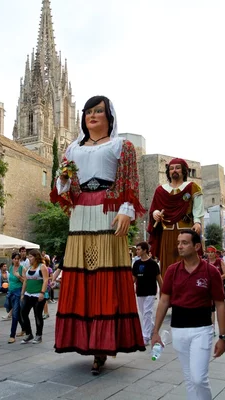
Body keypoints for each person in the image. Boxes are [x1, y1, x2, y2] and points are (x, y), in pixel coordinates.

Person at [50, 95, 146, 375]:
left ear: (109, 116)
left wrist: (127, 209)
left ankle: (102, 345)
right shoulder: (71, 149)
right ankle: (86, 340)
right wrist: (64, 180)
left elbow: (129, 180)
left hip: (109, 210)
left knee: (106, 275)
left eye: (99, 111)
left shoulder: (122, 146)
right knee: (81, 275)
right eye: (89, 111)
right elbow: (62, 187)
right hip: (81, 213)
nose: (92, 115)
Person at [151, 231, 225, 400]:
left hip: (202, 329)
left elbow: (220, 304)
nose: (179, 246)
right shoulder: (172, 271)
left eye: (185, 243)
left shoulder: (210, 271)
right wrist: (155, 331)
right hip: (178, 330)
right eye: (179, 242)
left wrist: (222, 336)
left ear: (197, 246)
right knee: (189, 379)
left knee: (199, 379)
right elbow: (164, 301)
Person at [147, 158, 204, 278]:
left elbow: (198, 208)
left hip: (186, 230)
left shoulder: (192, 187)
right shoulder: (160, 190)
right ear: (168, 172)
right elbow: (153, 208)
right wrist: (155, 213)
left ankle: (189, 290)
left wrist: (198, 222)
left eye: (177, 168)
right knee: (168, 264)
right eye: (171, 168)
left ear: (183, 171)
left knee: (187, 261)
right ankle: (169, 293)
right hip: (167, 232)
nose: (174, 170)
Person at [132, 241, 163, 346]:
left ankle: (145, 337)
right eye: (137, 249)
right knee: (144, 313)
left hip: (150, 292)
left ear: (145, 250)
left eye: (139, 249)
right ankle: (153, 330)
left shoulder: (153, 264)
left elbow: (159, 279)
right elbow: (133, 278)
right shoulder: (136, 264)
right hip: (140, 292)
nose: (137, 251)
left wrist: (163, 293)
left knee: (147, 313)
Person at [19, 249, 49, 344]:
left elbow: (45, 280)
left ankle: (38, 335)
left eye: (31, 256)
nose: (29, 258)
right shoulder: (29, 267)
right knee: (23, 313)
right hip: (28, 294)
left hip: (38, 295)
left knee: (37, 315)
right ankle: (29, 334)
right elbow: (25, 281)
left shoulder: (42, 267)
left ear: (36, 257)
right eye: (28, 256)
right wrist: (22, 293)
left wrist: (42, 292)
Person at [207, 247, 225, 337]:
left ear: (215, 253)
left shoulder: (219, 262)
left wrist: (217, 278)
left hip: (219, 287)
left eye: (212, 252)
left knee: (218, 307)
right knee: (211, 309)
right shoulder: (205, 262)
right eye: (208, 252)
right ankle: (212, 328)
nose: (210, 254)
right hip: (208, 288)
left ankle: (221, 330)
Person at [5, 252, 25, 343]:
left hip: (18, 292)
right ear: (12, 259)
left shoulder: (22, 268)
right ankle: (24, 329)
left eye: (18, 259)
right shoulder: (10, 267)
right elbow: (11, 280)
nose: (16, 260)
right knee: (9, 308)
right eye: (15, 259)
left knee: (15, 314)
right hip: (10, 291)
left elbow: (26, 281)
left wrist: (19, 276)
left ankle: (12, 335)